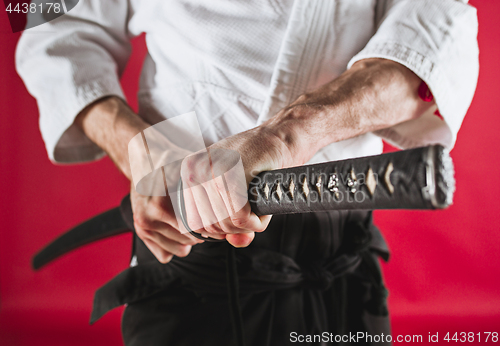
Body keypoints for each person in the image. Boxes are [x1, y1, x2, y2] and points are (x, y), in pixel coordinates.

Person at [16, 0, 478, 345]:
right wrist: (138, 145)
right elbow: (48, 26)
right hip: (192, 253)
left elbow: (434, 35)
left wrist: (289, 135)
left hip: (344, 267)